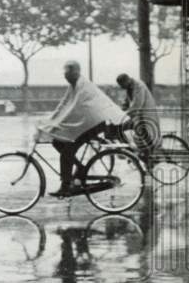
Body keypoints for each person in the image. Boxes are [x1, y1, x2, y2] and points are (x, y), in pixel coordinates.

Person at [37, 61, 127, 197]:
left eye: (68, 72)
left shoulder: (83, 85)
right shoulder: (73, 86)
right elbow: (63, 105)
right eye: (64, 72)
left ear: (76, 72)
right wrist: (50, 121)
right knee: (57, 142)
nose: (65, 75)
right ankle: (80, 168)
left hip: (95, 122)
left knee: (67, 152)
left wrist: (57, 123)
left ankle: (65, 187)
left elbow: (73, 108)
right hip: (90, 121)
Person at [116, 73, 160, 152]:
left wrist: (125, 115)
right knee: (141, 134)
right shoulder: (130, 87)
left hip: (146, 114)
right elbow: (127, 101)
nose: (122, 87)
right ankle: (142, 153)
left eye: (122, 85)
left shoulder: (139, 86)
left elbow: (137, 104)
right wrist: (120, 110)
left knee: (144, 134)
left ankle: (148, 154)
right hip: (139, 115)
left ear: (127, 81)